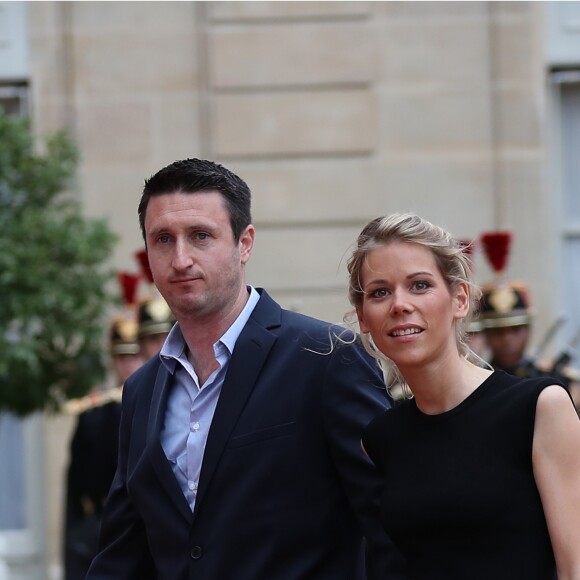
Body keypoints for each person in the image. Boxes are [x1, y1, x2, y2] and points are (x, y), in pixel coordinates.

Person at [86, 158, 403, 579]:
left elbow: (391, 526)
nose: (180, 259)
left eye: (201, 236)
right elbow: (123, 553)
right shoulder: (142, 389)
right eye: (163, 239)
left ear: (245, 243)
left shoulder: (325, 357)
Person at [346, 213, 580, 579]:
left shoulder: (539, 407)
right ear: (363, 317)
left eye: (420, 285)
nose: (399, 304)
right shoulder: (380, 438)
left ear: (459, 299)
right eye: (379, 292)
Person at [64, 274, 145, 580]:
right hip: (102, 529)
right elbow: (78, 490)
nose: (128, 365)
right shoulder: (95, 413)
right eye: (121, 357)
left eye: (135, 355)